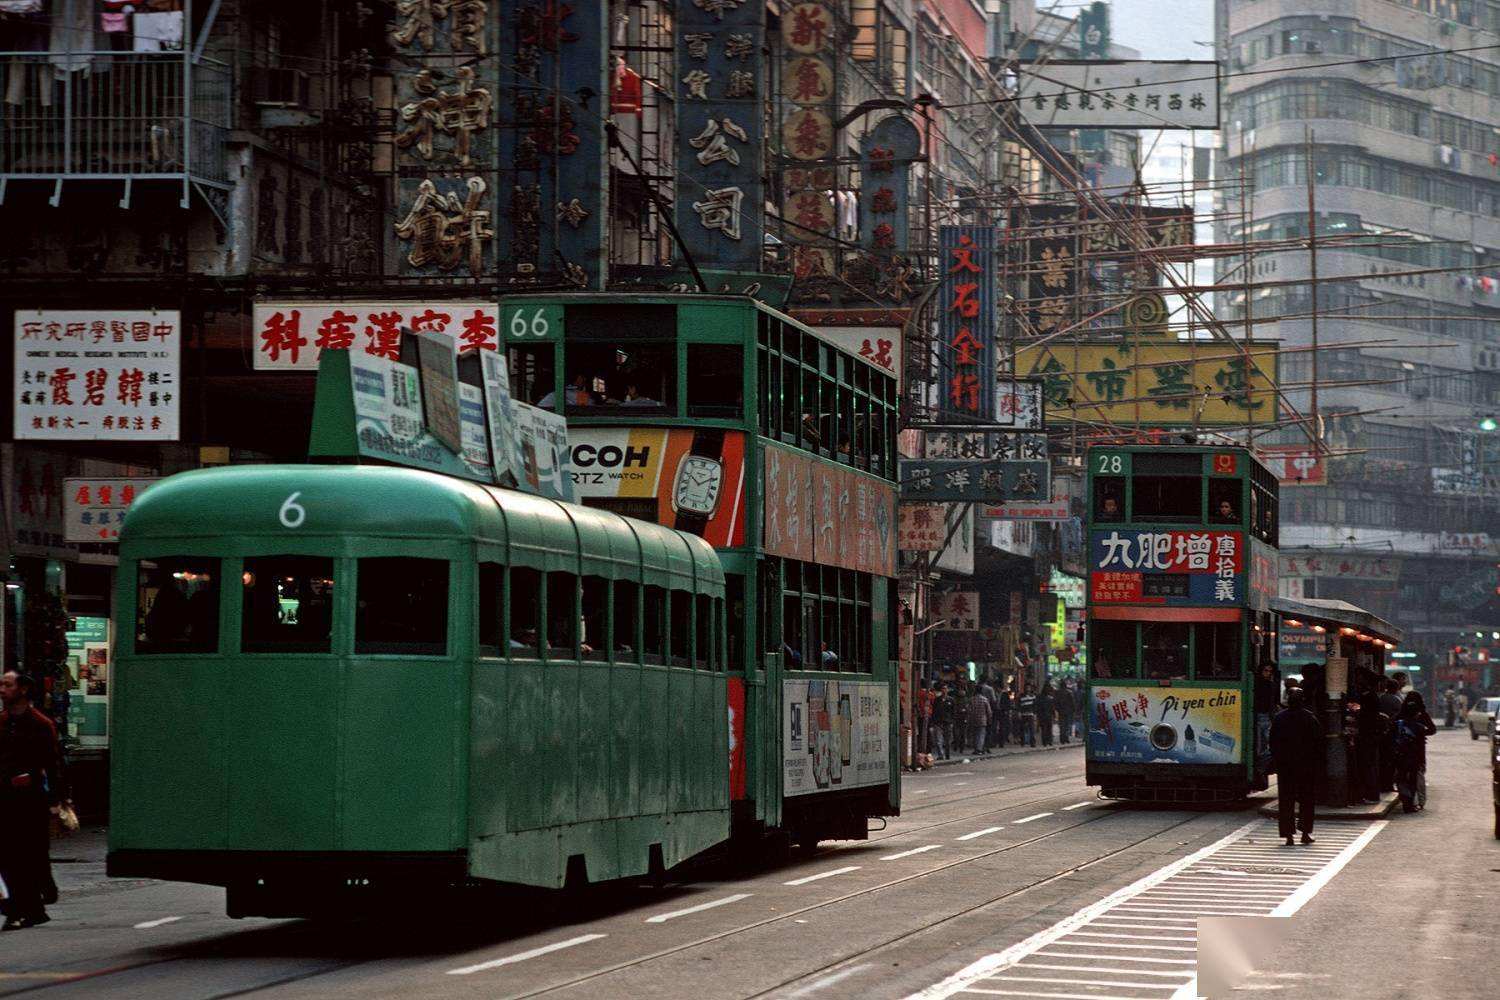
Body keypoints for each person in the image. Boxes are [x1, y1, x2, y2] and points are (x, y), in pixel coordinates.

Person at [0, 671, 67, 931]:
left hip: (30, 801)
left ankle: (22, 908)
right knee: (8, 856)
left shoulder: (40, 724)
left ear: (23, 689)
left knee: (26, 855)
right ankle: (29, 907)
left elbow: (53, 765)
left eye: (8, 685)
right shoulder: (2, 722)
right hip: (5, 799)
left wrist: (56, 800)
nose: (2, 689)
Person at [1270, 687, 1321, 846]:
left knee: (1286, 799)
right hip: (1306, 765)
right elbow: (1318, 742)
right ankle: (1305, 833)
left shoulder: (1279, 718)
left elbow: (1273, 742)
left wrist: (1278, 760)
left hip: (1285, 765)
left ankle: (1288, 835)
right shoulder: (1310, 718)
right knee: (1307, 799)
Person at [1393, 691, 1437, 813]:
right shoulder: (1422, 714)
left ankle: (1406, 800)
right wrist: (1420, 733)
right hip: (1417, 751)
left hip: (1401, 750)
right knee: (1415, 776)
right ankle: (1412, 802)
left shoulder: (1401, 714)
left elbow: (1392, 729)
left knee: (1402, 776)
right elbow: (1432, 730)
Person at [1353, 689, 1386, 804]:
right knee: (1371, 767)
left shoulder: (1366, 716)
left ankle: (1369, 794)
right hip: (1372, 740)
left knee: (1367, 768)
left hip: (1367, 741)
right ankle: (1372, 794)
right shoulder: (1376, 715)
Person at [1377, 678, 1404, 792]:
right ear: (1396, 688)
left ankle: (1382, 783)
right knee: (1391, 761)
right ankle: (1388, 784)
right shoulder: (1396, 700)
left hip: (1380, 732)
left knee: (1382, 759)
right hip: (1392, 733)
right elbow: (1400, 716)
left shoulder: (1380, 698)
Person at [1254, 662, 1279, 773]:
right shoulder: (1266, 685)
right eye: (1266, 671)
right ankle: (1261, 767)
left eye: (1270, 672)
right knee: (1266, 744)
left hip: (1264, 716)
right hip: (1263, 715)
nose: (1268, 674)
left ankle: (1260, 767)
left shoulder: (1269, 685)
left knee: (1266, 744)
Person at [930, 684, 954, 760]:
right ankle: (941, 755)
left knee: (947, 740)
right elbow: (934, 711)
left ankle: (947, 754)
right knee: (938, 740)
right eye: (943, 688)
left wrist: (952, 721)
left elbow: (953, 711)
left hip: (948, 722)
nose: (944, 690)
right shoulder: (937, 700)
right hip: (938, 722)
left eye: (945, 688)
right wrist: (933, 721)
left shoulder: (951, 700)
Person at [966, 684, 992, 755]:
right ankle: (979, 749)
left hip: (973, 719)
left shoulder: (972, 699)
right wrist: (989, 719)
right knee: (981, 735)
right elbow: (989, 711)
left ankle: (975, 748)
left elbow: (968, 709)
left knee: (975, 734)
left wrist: (969, 718)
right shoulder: (985, 699)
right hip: (982, 719)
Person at [1055, 680, 1074, 744]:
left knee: (1062, 725)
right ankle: (1066, 738)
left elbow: (1055, 702)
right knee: (1066, 725)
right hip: (1067, 711)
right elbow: (1072, 702)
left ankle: (1062, 739)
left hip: (1061, 711)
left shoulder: (1057, 692)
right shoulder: (1068, 692)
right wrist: (1073, 710)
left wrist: (1057, 709)